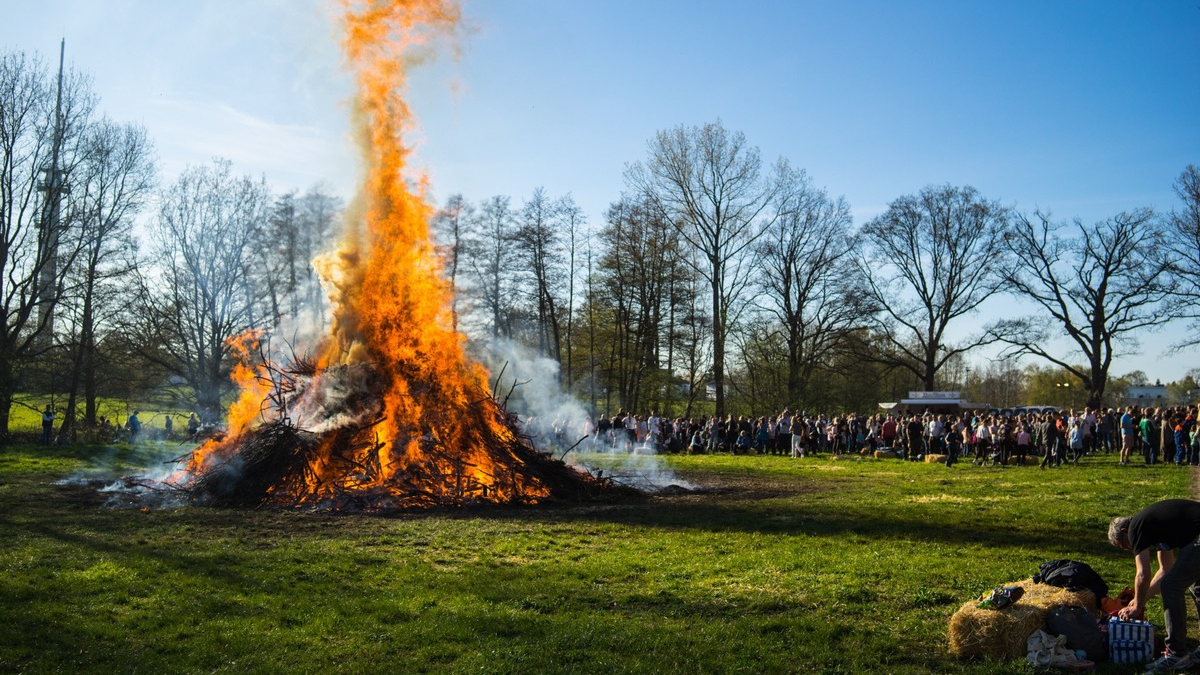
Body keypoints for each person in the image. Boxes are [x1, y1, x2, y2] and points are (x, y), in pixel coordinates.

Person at [1109, 500, 1200, 672]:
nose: (1130, 549)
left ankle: (1176, 653)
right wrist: (1138, 601)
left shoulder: (1136, 528)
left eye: (1124, 546)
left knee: (1172, 586)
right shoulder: (1156, 528)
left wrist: (1137, 604)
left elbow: (1143, 574)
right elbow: (1165, 570)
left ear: (1123, 532)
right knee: (1196, 587)